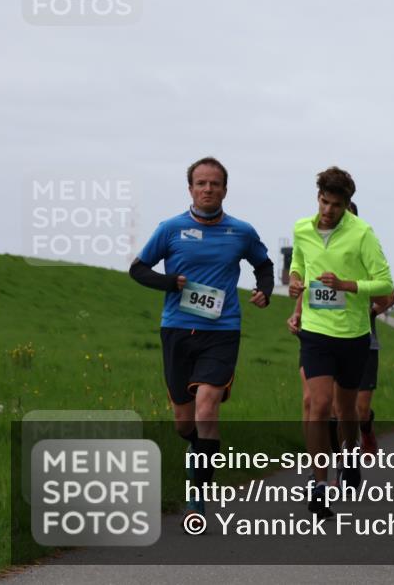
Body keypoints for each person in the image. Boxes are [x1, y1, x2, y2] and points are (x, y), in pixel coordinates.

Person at [129, 157, 273, 528]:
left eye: (215, 184)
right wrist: (168, 281)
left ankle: (198, 495)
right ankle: (196, 451)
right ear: (190, 188)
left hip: (222, 331)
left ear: (225, 189)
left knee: (207, 408)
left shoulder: (241, 231)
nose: (208, 189)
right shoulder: (171, 229)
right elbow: (138, 269)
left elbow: (264, 264)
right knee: (184, 423)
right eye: (201, 183)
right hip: (177, 328)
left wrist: (265, 290)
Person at [288, 167, 394, 517]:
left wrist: (347, 285)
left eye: (335, 204)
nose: (328, 210)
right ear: (317, 197)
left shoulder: (363, 234)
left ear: (348, 204)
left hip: (352, 335)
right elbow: (300, 262)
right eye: (323, 201)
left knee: (346, 411)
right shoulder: (303, 228)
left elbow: (383, 284)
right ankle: (319, 486)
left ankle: (350, 456)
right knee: (318, 405)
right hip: (316, 332)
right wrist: (294, 278)